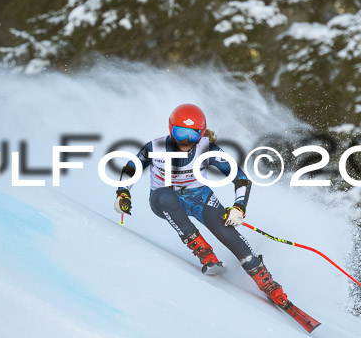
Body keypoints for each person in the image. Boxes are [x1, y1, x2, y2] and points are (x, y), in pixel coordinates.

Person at [113, 103, 288, 306]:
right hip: (163, 199)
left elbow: (241, 178)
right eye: (180, 133)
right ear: (171, 129)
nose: (185, 141)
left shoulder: (208, 149)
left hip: (198, 197)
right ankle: (205, 253)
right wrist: (123, 192)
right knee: (164, 195)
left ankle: (267, 282)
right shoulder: (155, 147)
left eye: (192, 135)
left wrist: (239, 207)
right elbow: (131, 168)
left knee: (227, 232)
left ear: (201, 134)